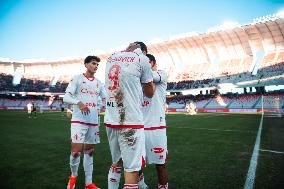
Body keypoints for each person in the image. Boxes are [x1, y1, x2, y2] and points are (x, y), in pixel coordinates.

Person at [105, 42, 154, 189]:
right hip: (130, 122)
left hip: (111, 120)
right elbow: (149, 93)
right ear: (143, 51)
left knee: (117, 163)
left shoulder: (111, 58)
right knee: (132, 169)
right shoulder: (142, 59)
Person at [63, 55, 106, 189]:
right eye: (93, 63)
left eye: (97, 64)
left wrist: (100, 106)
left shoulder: (99, 83)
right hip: (79, 121)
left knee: (90, 152)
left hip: (93, 122)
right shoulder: (77, 79)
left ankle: (88, 183)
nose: (96, 66)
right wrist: (78, 102)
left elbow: (105, 98)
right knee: (75, 152)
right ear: (86, 64)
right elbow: (66, 97)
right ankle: (73, 176)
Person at [139, 54, 168, 189]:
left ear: (153, 63)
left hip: (157, 128)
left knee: (160, 165)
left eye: (146, 62)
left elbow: (150, 75)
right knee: (136, 164)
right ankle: (141, 185)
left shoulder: (161, 74)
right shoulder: (137, 80)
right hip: (139, 128)